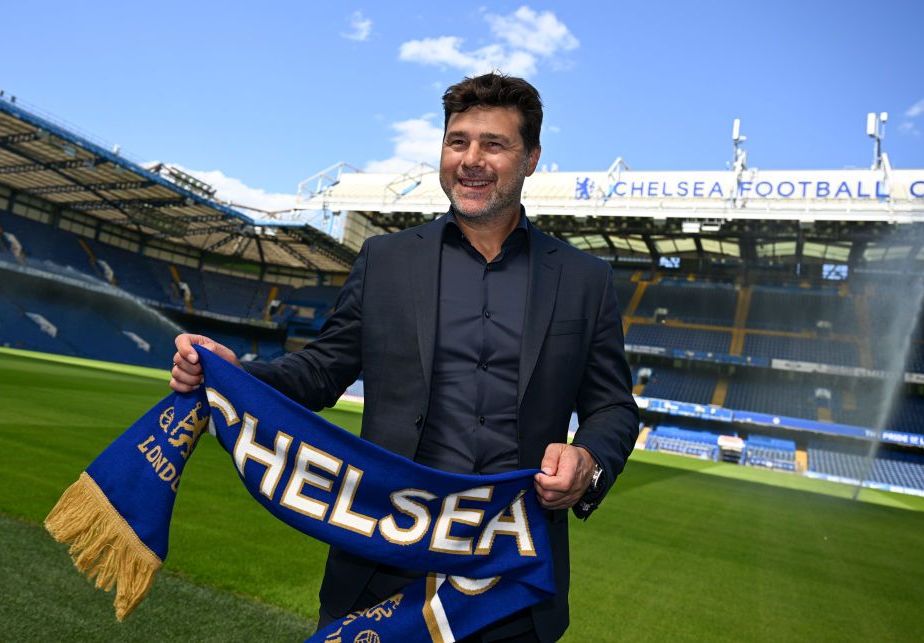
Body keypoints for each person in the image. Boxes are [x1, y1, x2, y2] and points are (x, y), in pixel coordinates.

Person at [170, 72, 639, 642]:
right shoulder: (386, 260)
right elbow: (320, 371)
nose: (470, 159)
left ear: (532, 158)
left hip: (511, 579)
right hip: (380, 563)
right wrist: (235, 374)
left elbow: (613, 406)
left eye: (494, 144)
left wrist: (588, 459)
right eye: (457, 141)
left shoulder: (584, 280)